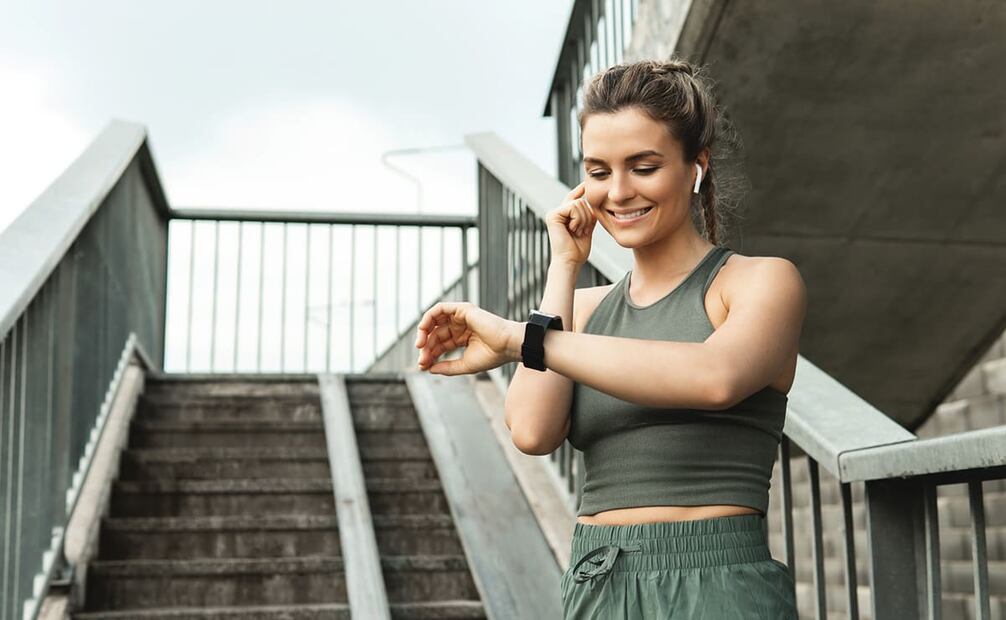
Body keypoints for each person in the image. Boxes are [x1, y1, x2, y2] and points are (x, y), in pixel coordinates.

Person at [414, 58, 803, 619]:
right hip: (597, 581)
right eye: (598, 171)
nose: (618, 192)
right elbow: (531, 430)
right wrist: (563, 269)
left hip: (715, 582)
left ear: (697, 165)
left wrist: (517, 339)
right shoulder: (582, 311)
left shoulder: (758, 281)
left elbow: (714, 378)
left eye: (643, 167)